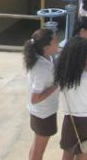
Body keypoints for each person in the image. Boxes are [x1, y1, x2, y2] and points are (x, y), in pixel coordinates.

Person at [55, 36, 87, 160]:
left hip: (69, 118)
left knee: (67, 154)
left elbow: (79, 76)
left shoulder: (63, 75)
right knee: (83, 154)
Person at [24, 29, 59, 160]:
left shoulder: (43, 59)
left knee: (36, 147)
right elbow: (35, 98)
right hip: (43, 114)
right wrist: (56, 85)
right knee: (38, 151)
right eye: (55, 41)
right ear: (46, 47)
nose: (58, 42)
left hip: (40, 113)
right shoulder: (42, 68)